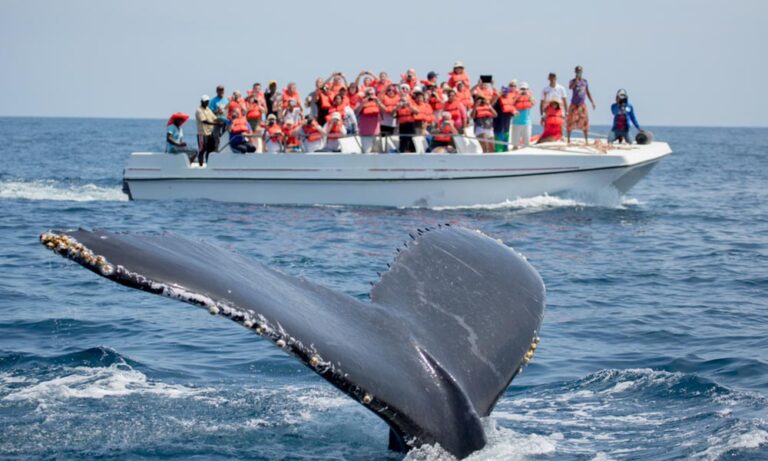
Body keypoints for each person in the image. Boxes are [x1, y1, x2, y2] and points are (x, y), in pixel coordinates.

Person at [567, 65, 596, 144]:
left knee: (585, 122)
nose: (579, 72)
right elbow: (570, 87)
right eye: (577, 71)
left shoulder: (585, 81)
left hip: (582, 105)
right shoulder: (572, 81)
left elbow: (587, 92)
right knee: (570, 121)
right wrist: (576, 82)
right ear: (575, 72)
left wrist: (592, 102)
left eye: (580, 71)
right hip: (574, 104)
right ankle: (568, 139)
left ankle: (586, 140)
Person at [355, 88, 385, 153]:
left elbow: (385, 111)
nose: (370, 96)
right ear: (365, 94)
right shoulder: (361, 102)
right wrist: (362, 103)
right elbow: (356, 112)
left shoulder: (377, 101)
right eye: (368, 94)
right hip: (365, 133)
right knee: (367, 153)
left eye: (372, 94)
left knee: (377, 153)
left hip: (376, 133)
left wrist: (378, 101)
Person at [493, 83, 519, 152]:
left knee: (505, 147)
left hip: (506, 127)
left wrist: (514, 113)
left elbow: (509, 111)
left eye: (507, 92)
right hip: (498, 128)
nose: (505, 93)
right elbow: (492, 108)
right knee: (499, 147)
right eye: (504, 91)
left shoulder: (508, 101)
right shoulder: (498, 101)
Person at [195, 95, 219, 165]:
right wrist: (216, 124)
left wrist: (221, 120)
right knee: (202, 149)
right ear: (201, 102)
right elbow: (204, 121)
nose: (206, 103)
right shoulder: (199, 110)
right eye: (205, 101)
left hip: (209, 133)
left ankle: (208, 164)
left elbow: (214, 118)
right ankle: (201, 164)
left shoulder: (208, 109)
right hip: (202, 134)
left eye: (207, 101)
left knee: (210, 149)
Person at [511, 82, 535, 150]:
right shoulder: (515, 97)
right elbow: (511, 104)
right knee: (515, 144)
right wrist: (517, 96)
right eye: (522, 89)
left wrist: (528, 95)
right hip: (516, 123)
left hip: (527, 123)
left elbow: (533, 103)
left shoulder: (529, 97)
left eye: (525, 89)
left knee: (527, 144)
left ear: (527, 89)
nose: (523, 90)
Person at [396, 87, 420, 153]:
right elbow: (393, 114)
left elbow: (417, 112)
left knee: (412, 139)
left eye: (405, 100)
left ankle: (413, 151)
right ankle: (402, 151)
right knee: (403, 140)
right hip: (402, 125)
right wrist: (397, 107)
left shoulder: (411, 105)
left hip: (410, 124)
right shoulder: (398, 105)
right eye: (402, 100)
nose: (404, 102)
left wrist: (409, 106)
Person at [208, 85, 230, 150]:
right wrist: (217, 111)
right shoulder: (213, 101)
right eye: (219, 90)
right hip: (217, 122)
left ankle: (224, 149)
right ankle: (216, 149)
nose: (221, 91)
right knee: (216, 136)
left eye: (222, 90)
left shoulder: (227, 100)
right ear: (217, 91)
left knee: (225, 136)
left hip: (225, 122)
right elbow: (210, 112)